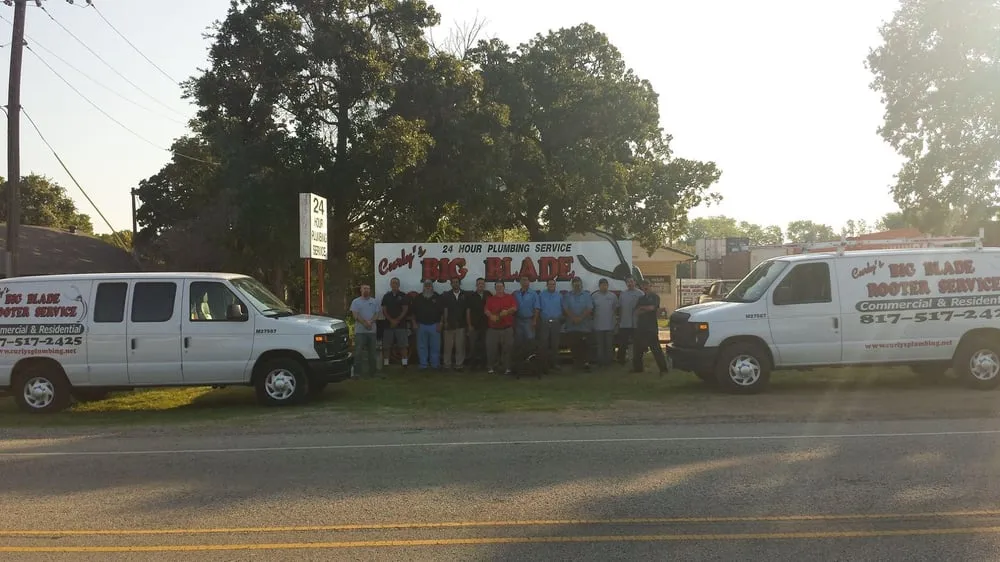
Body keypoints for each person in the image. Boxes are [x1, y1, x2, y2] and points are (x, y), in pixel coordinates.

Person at [632, 278, 669, 375]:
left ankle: (663, 369)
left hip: (651, 327)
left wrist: (642, 308)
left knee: (656, 349)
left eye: (647, 285)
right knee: (637, 349)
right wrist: (645, 309)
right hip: (641, 327)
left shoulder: (655, 297)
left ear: (650, 286)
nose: (645, 287)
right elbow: (636, 312)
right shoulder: (641, 298)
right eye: (643, 285)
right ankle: (638, 369)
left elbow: (652, 308)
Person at [484, 281, 517, 375]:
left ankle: (507, 367)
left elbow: (514, 308)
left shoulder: (510, 297)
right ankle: (491, 367)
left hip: (507, 328)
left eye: (500, 286)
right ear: (495, 288)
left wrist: (507, 311)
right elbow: (486, 310)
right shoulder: (490, 299)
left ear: (504, 287)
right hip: (493, 329)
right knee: (491, 349)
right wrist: (491, 316)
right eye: (497, 287)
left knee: (508, 349)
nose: (499, 288)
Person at [562, 277, 594, 371]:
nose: (577, 286)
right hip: (572, 326)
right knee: (574, 346)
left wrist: (580, 318)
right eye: (575, 284)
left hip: (585, 326)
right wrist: (574, 318)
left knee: (585, 345)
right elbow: (566, 308)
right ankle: (576, 364)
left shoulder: (587, 295)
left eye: (579, 284)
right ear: (572, 285)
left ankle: (586, 363)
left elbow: (589, 308)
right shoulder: (567, 296)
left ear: (581, 285)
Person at [410, 280, 443, 370]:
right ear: (423, 287)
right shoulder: (418, 298)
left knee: (435, 346)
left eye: (429, 285)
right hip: (421, 325)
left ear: (432, 287)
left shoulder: (437, 297)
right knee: (421, 346)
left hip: (435, 325)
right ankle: (423, 364)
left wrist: (441, 323)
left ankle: (435, 364)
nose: (428, 287)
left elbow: (442, 312)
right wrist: (414, 323)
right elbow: (413, 312)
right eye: (426, 285)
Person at [349, 284, 380, 378]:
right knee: (358, 352)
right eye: (364, 288)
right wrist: (365, 323)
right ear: (361, 290)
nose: (366, 290)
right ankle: (357, 373)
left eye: (368, 288)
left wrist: (370, 322)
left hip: (372, 331)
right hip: (360, 331)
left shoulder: (374, 301)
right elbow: (355, 315)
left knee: (372, 353)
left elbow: (377, 314)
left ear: (370, 290)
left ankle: (373, 373)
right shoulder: (356, 302)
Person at [380, 277, 410, 368]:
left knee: (403, 345)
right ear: (390, 284)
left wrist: (397, 320)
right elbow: (384, 310)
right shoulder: (386, 296)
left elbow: (405, 309)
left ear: (399, 285)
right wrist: (391, 320)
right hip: (388, 324)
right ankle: (386, 363)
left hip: (401, 325)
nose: (394, 284)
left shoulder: (403, 295)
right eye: (393, 283)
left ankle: (404, 363)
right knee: (386, 346)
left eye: (396, 283)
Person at [536, 279, 564, 373]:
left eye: (553, 284)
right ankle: (544, 365)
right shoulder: (541, 295)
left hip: (556, 322)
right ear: (546, 285)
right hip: (544, 322)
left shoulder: (559, 295)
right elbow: (538, 308)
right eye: (550, 284)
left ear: (555, 285)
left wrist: (560, 319)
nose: (551, 286)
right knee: (544, 344)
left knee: (555, 344)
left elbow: (563, 308)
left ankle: (555, 363)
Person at [440, 278, 468, 370]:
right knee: (447, 346)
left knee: (460, 346)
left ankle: (459, 365)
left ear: (460, 283)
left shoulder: (465, 295)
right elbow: (445, 309)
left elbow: (467, 310)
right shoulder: (446, 295)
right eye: (453, 282)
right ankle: (447, 364)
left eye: (457, 282)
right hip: (449, 324)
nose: (455, 284)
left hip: (461, 324)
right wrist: (445, 322)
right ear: (451, 284)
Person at [616, 276, 644, 365]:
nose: (630, 283)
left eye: (631, 281)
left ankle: (636, 360)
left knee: (636, 343)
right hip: (624, 323)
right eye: (628, 282)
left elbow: (643, 308)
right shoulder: (623, 294)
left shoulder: (640, 294)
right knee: (623, 343)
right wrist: (619, 320)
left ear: (635, 282)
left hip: (636, 323)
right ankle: (621, 360)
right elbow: (620, 308)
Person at [591, 278, 619, 366]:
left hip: (610, 325)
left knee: (609, 345)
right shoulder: (594, 296)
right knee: (600, 346)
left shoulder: (613, 296)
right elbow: (592, 310)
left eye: (606, 285)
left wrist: (615, 322)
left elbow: (616, 309)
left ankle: (608, 363)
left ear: (608, 286)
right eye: (602, 285)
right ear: (599, 286)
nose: (604, 287)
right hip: (598, 326)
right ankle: (601, 363)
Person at [464, 278, 491, 370]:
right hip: (474, 325)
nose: (481, 285)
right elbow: (468, 311)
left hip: (486, 325)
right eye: (479, 283)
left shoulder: (488, 295)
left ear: (484, 285)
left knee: (485, 345)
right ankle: (472, 365)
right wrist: (469, 325)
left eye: (482, 283)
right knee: (473, 346)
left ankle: (484, 365)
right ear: (476, 285)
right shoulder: (471, 296)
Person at [512, 275, 539, 344]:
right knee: (518, 339)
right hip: (518, 320)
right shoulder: (516, 294)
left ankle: (530, 351)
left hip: (529, 320)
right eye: (523, 280)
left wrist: (534, 320)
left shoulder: (533, 294)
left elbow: (536, 308)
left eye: (526, 280)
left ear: (529, 282)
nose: (524, 281)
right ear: (520, 282)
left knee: (530, 339)